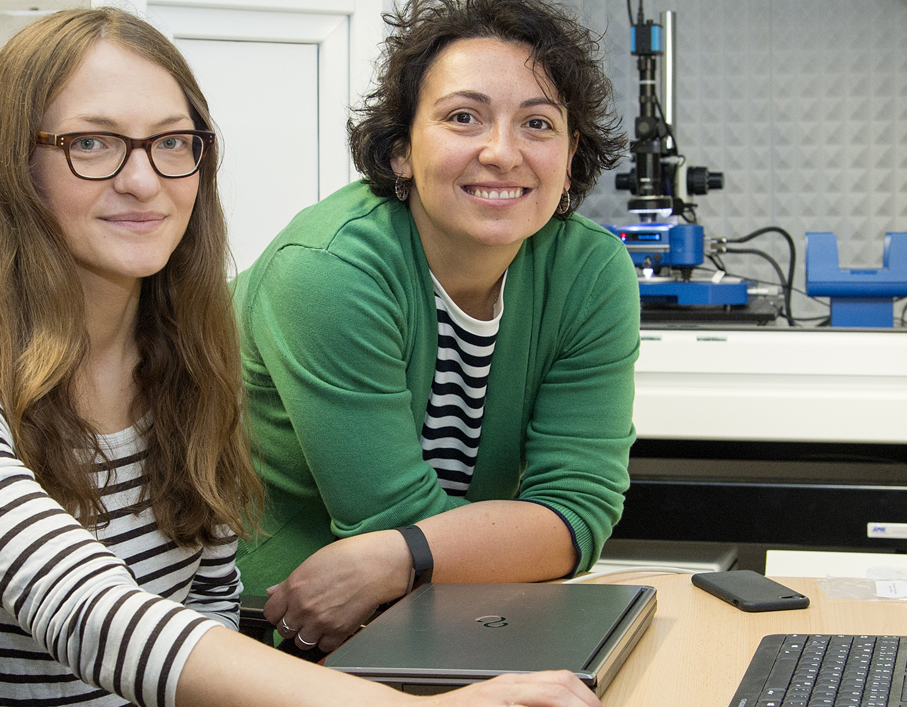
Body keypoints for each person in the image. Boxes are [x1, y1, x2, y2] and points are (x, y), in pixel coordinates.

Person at [0, 8, 601, 707]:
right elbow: (89, 613)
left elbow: (210, 610)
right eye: (91, 143)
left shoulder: (193, 359)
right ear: (11, 166)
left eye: (172, 143)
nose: (143, 179)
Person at [234, 0, 640, 653]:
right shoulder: (328, 270)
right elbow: (387, 520)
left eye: (538, 123)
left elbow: (577, 514)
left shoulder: (591, 270)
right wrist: (498, 545)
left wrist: (403, 555)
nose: (502, 152)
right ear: (400, 151)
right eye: (463, 117)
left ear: (571, 155)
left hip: (447, 610)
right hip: (269, 625)